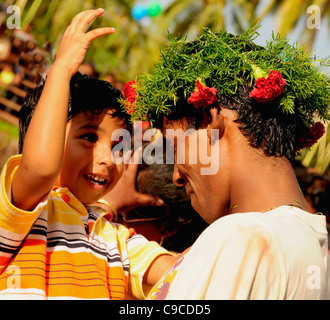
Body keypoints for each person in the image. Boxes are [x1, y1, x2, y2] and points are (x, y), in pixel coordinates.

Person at [123, 27, 330, 299]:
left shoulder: (239, 237)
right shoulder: (314, 244)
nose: (176, 176)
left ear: (211, 121)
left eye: (175, 148)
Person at [0, 9, 177, 300]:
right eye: (89, 137)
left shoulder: (117, 237)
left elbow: (180, 270)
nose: (109, 158)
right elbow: (41, 169)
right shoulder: (25, 209)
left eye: (120, 145)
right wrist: (61, 70)